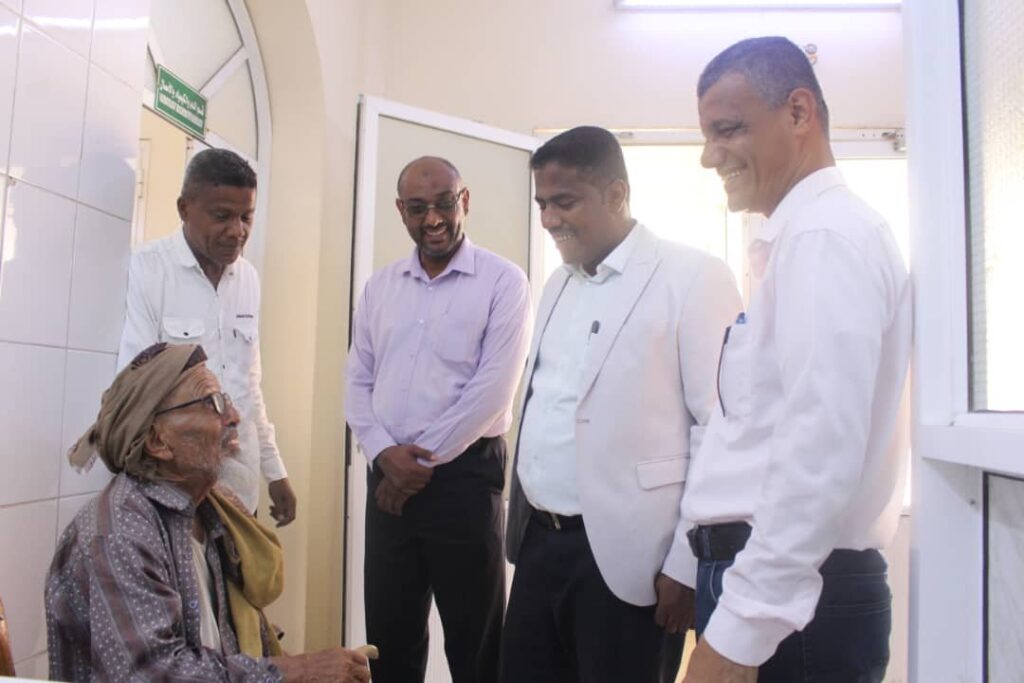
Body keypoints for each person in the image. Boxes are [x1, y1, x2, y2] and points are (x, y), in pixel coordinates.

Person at [680, 37, 912, 683]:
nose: (709, 155)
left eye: (728, 129)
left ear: (799, 112)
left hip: (792, 605)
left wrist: (739, 632)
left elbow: (819, 447)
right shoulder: (799, 239)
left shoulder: (826, 237)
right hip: (780, 589)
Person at [501, 126, 742, 683]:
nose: (549, 219)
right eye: (542, 203)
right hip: (539, 545)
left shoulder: (693, 278)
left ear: (616, 194)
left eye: (564, 202)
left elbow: (722, 429)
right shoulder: (558, 284)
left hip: (633, 561)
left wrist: (687, 562)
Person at [46, 343, 371, 682]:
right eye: (212, 404)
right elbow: (153, 674)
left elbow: (220, 646)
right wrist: (297, 671)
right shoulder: (119, 534)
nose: (233, 417)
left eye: (225, 401)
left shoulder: (208, 511)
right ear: (158, 441)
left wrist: (306, 668)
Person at [345, 156, 532, 683]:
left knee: (477, 642)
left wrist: (417, 464)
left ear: (464, 201)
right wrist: (384, 454)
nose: (433, 219)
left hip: (464, 480)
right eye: (418, 208)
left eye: (445, 204)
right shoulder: (380, 286)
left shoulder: (503, 282)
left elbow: (492, 391)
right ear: (400, 210)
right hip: (387, 477)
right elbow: (357, 379)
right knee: (390, 636)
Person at [118, 148, 296, 526]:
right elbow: (137, 387)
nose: (237, 231)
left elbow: (248, 384)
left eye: (246, 217)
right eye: (222, 216)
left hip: (239, 488)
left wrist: (274, 469)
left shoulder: (247, 278)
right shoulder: (148, 270)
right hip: (177, 490)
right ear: (185, 209)